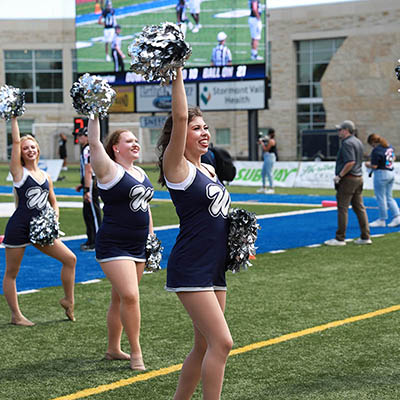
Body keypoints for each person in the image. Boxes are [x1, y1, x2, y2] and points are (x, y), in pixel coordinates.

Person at [157, 68, 233, 399]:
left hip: (214, 267)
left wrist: (238, 244)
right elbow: (178, 113)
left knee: (203, 345)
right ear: (179, 134)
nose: (204, 133)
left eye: (206, 127)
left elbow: (218, 218)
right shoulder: (178, 167)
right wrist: (177, 73)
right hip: (191, 268)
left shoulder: (209, 169)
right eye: (195, 128)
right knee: (223, 342)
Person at [87, 116, 154, 370]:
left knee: (119, 298)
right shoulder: (109, 170)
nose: (135, 143)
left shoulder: (140, 171)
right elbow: (94, 143)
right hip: (114, 244)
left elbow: (144, 207)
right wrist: (94, 113)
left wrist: (151, 234)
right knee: (130, 296)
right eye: (129, 141)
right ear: (115, 147)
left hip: (138, 245)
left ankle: (113, 349)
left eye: (136, 140)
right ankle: (136, 353)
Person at [2, 117, 77, 326]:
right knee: (11, 273)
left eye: (33, 147)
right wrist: (14, 118)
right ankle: (16, 315)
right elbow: (16, 143)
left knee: (70, 259)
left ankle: (68, 300)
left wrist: (54, 219)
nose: (29, 150)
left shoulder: (45, 175)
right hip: (19, 228)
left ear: (38, 150)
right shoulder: (19, 173)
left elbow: (53, 201)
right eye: (26, 148)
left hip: (42, 230)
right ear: (21, 153)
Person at [324, 120, 371, 246]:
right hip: (358, 177)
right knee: (360, 208)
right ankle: (365, 236)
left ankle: (340, 238)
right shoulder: (358, 142)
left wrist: (340, 175)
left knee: (342, 208)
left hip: (349, 178)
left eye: (340, 130)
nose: (338, 132)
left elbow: (350, 162)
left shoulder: (347, 143)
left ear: (346, 130)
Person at [75, 128, 102, 252]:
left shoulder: (88, 149)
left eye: (80, 135)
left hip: (91, 184)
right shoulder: (86, 149)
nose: (79, 138)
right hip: (89, 183)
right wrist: (83, 184)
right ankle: (91, 239)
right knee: (88, 213)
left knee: (93, 213)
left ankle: (97, 241)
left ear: (86, 136)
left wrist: (87, 189)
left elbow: (88, 169)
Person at [365, 133, 400, 227]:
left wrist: (368, 164)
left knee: (381, 198)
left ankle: (382, 219)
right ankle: (397, 216)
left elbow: (375, 166)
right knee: (389, 197)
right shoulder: (389, 147)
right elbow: (394, 157)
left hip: (381, 174)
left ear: (372, 142)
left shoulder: (376, 150)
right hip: (391, 172)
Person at [257, 129, 277, 194]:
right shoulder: (269, 140)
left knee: (269, 173)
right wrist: (262, 141)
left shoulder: (271, 141)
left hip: (270, 157)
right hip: (266, 157)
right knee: (263, 173)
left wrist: (262, 144)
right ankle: (263, 187)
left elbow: (266, 149)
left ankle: (271, 188)